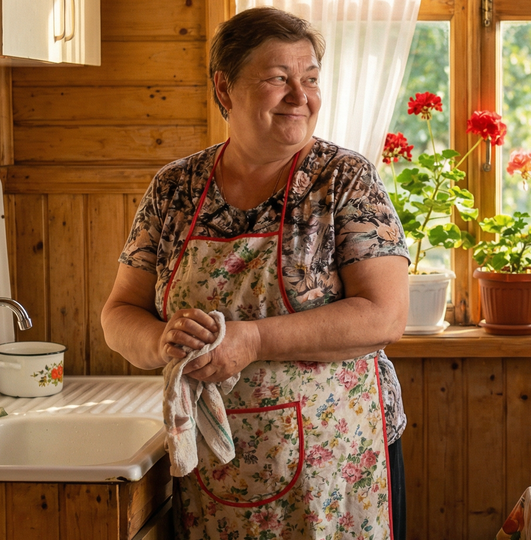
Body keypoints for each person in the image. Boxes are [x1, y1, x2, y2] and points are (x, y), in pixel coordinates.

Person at [100, 7, 410, 539]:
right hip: (217, 470)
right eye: (277, 79)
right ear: (225, 88)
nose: (300, 96)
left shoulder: (345, 180)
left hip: (334, 463)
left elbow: (385, 316)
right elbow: (119, 313)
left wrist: (253, 339)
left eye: (310, 79)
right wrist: (162, 340)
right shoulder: (175, 188)